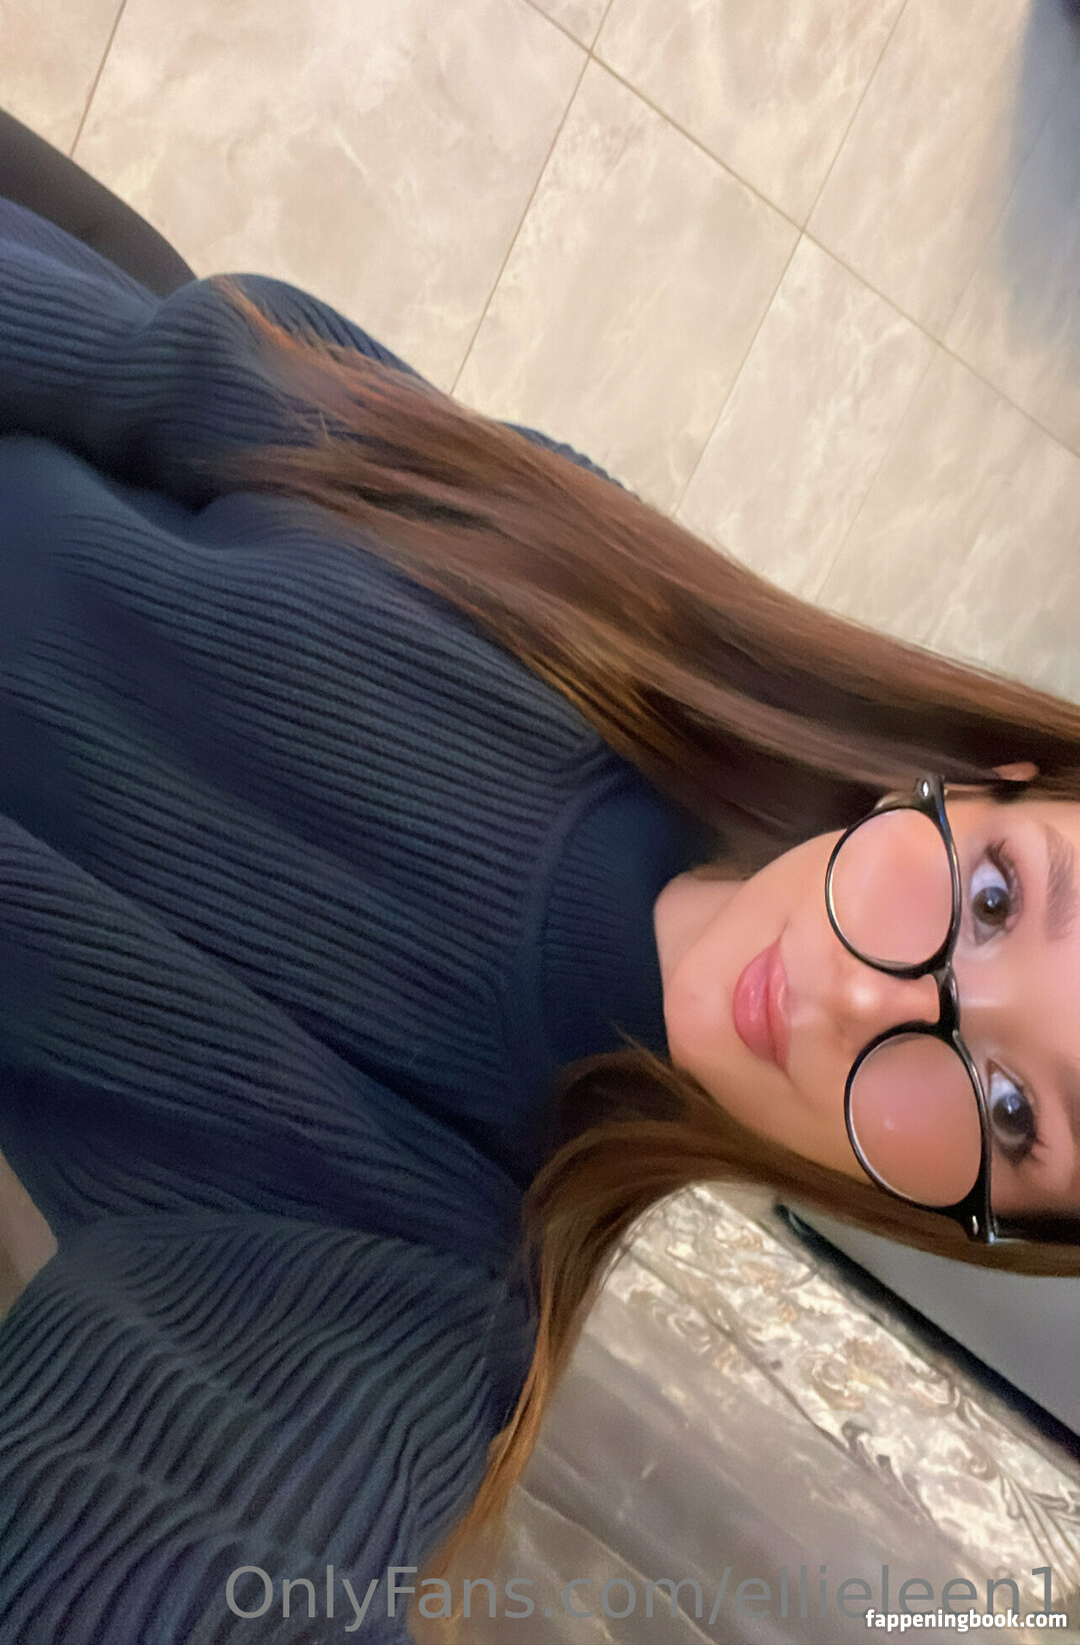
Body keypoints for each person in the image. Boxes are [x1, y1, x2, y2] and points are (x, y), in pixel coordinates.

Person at [1, 116, 1080, 1645]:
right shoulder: (615, 597)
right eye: (994, 904)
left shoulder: (417, 1289)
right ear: (989, 786)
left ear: (975, 1219)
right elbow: (180, 371)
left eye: (1011, 1108)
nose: (859, 997)